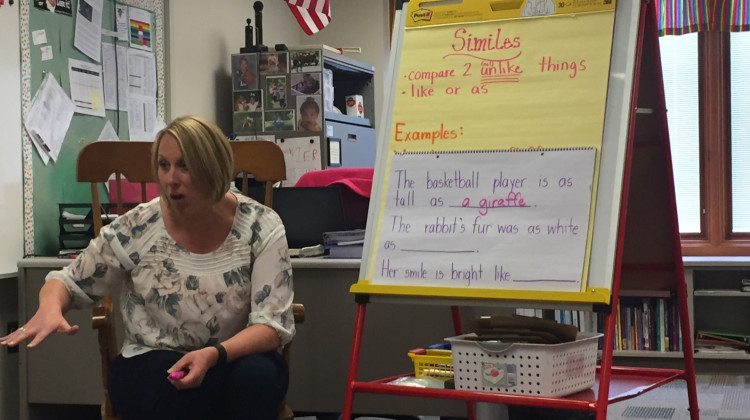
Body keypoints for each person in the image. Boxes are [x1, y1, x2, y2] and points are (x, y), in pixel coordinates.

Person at [1, 116, 295, 420]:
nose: (170, 180)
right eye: (164, 165)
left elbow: (271, 325)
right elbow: (68, 282)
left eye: (184, 166)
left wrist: (214, 355)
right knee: (176, 392)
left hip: (232, 356)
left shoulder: (260, 225)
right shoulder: (138, 226)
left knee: (256, 379)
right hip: (153, 356)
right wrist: (50, 306)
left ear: (212, 167)